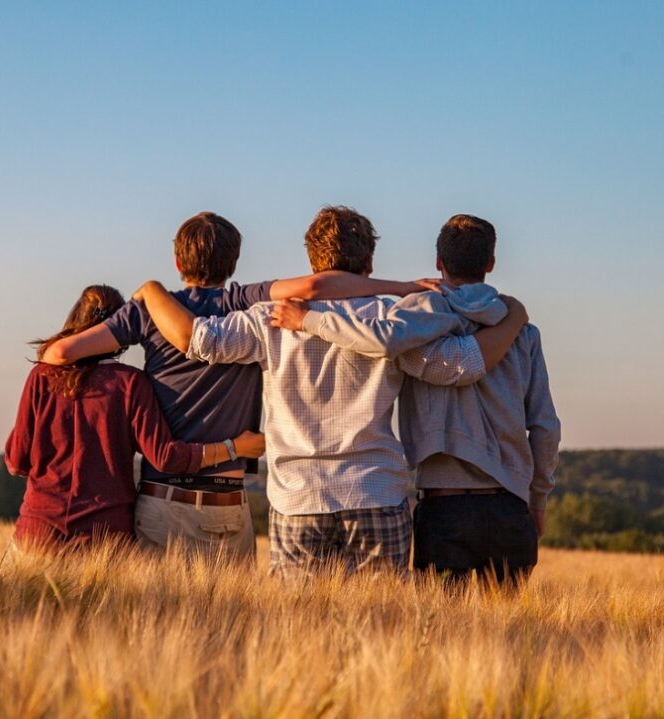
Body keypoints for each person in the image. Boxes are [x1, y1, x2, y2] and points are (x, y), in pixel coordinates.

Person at [133, 207, 528, 576]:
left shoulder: (268, 319)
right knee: (382, 630)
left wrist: (152, 291)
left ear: (311, 262)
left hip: (298, 498)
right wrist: (513, 320)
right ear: (369, 263)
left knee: (300, 633)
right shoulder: (393, 319)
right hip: (376, 492)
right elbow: (459, 366)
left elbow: (198, 340)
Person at [39, 211, 440, 560]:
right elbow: (317, 287)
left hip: (164, 499)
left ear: (177, 261)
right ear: (234, 263)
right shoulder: (244, 301)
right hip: (229, 502)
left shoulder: (148, 311)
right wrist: (402, 288)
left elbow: (59, 355)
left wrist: (144, 300)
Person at [272, 214, 560, 585]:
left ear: (438, 262)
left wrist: (309, 320)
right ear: (490, 264)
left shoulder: (414, 321)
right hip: (511, 506)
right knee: (509, 638)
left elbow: (382, 340)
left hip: (444, 508)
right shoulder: (522, 332)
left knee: (438, 635)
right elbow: (545, 427)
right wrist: (538, 499)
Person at [4, 284, 265, 552]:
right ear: (121, 330)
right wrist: (234, 448)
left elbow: (16, 461)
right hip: (105, 538)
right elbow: (165, 457)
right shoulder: (130, 383)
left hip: (38, 532)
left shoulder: (41, 377)